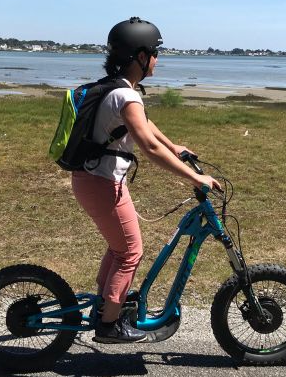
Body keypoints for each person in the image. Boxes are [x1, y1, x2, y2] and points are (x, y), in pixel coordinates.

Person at [72, 17, 221, 343]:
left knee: (119, 247)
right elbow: (149, 146)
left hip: (93, 179)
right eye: (154, 52)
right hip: (101, 183)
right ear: (140, 56)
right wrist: (195, 179)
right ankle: (109, 326)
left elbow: (148, 129)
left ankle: (104, 305)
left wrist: (176, 147)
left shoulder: (118, 88)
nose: (157, 58)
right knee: (130, 253)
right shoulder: (126, 96)